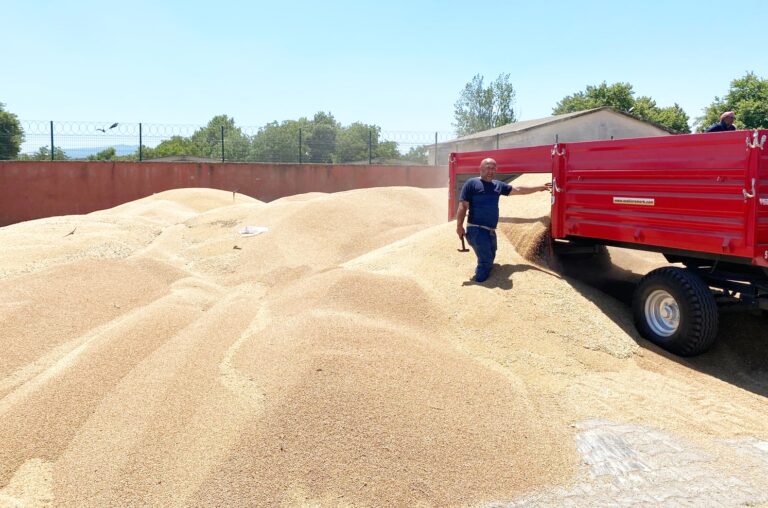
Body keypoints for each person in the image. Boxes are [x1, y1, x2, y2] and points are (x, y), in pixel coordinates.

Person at [455, 157, 551, 282]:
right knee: (486, 260)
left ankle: (484, 272)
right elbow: (462, 206)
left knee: (492, 253)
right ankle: (479, 285)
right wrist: (459, 226)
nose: (491, 171)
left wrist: (539, 187)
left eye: (493, 168)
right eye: (488, 168)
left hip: (490, 231)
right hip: (476, 229)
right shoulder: (471, 183)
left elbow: (518, 190)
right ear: (481, 168)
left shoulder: (497, 185)